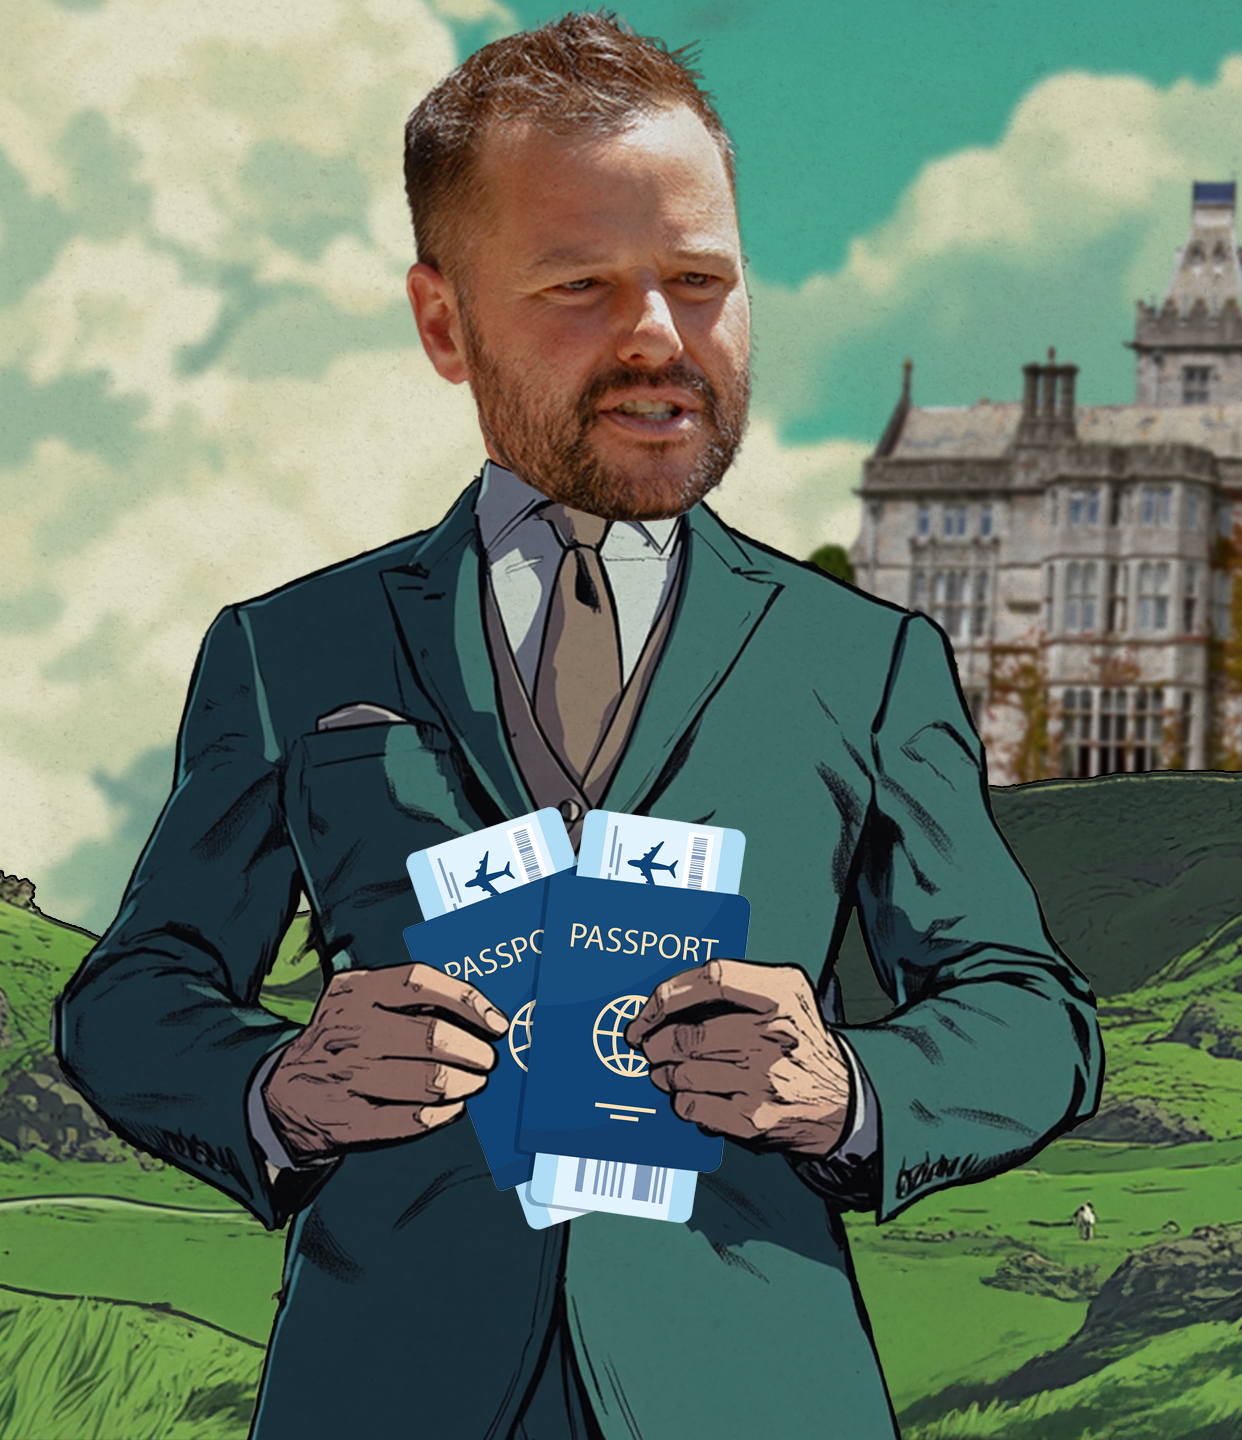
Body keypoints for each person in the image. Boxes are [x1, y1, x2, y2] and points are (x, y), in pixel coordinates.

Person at [52, 12, 1103, 1439]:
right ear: (445, 321)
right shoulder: (290, 652)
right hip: (387, 1390)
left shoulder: (864, 662)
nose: (661, 338)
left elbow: (1033, 1014)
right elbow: (132, 994)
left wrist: (851, 1089)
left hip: (753, 1392)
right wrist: (279, 1087)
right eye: (581, 288)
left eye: (699, 280)